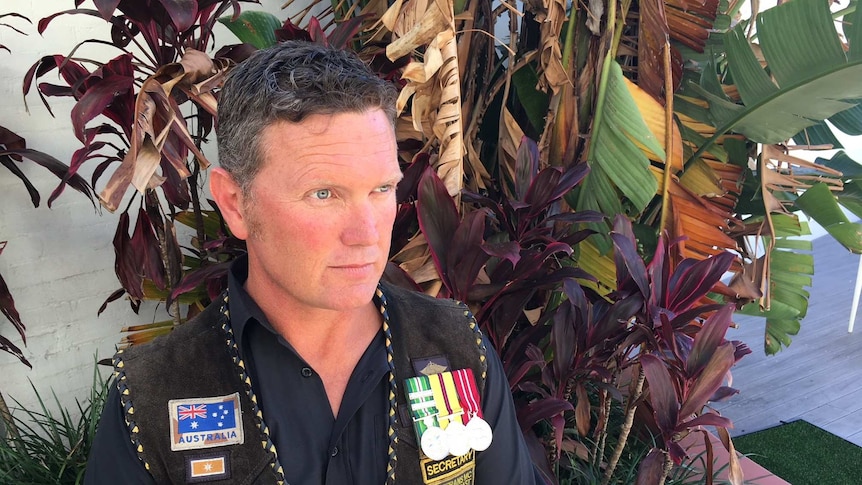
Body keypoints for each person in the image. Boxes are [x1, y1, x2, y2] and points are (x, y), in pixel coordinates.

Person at [84, 40, 542, 485]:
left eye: (381, 189)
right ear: (235, 203)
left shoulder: (456, 345)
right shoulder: (153, 396)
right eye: (324, 194)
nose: (366, 234)